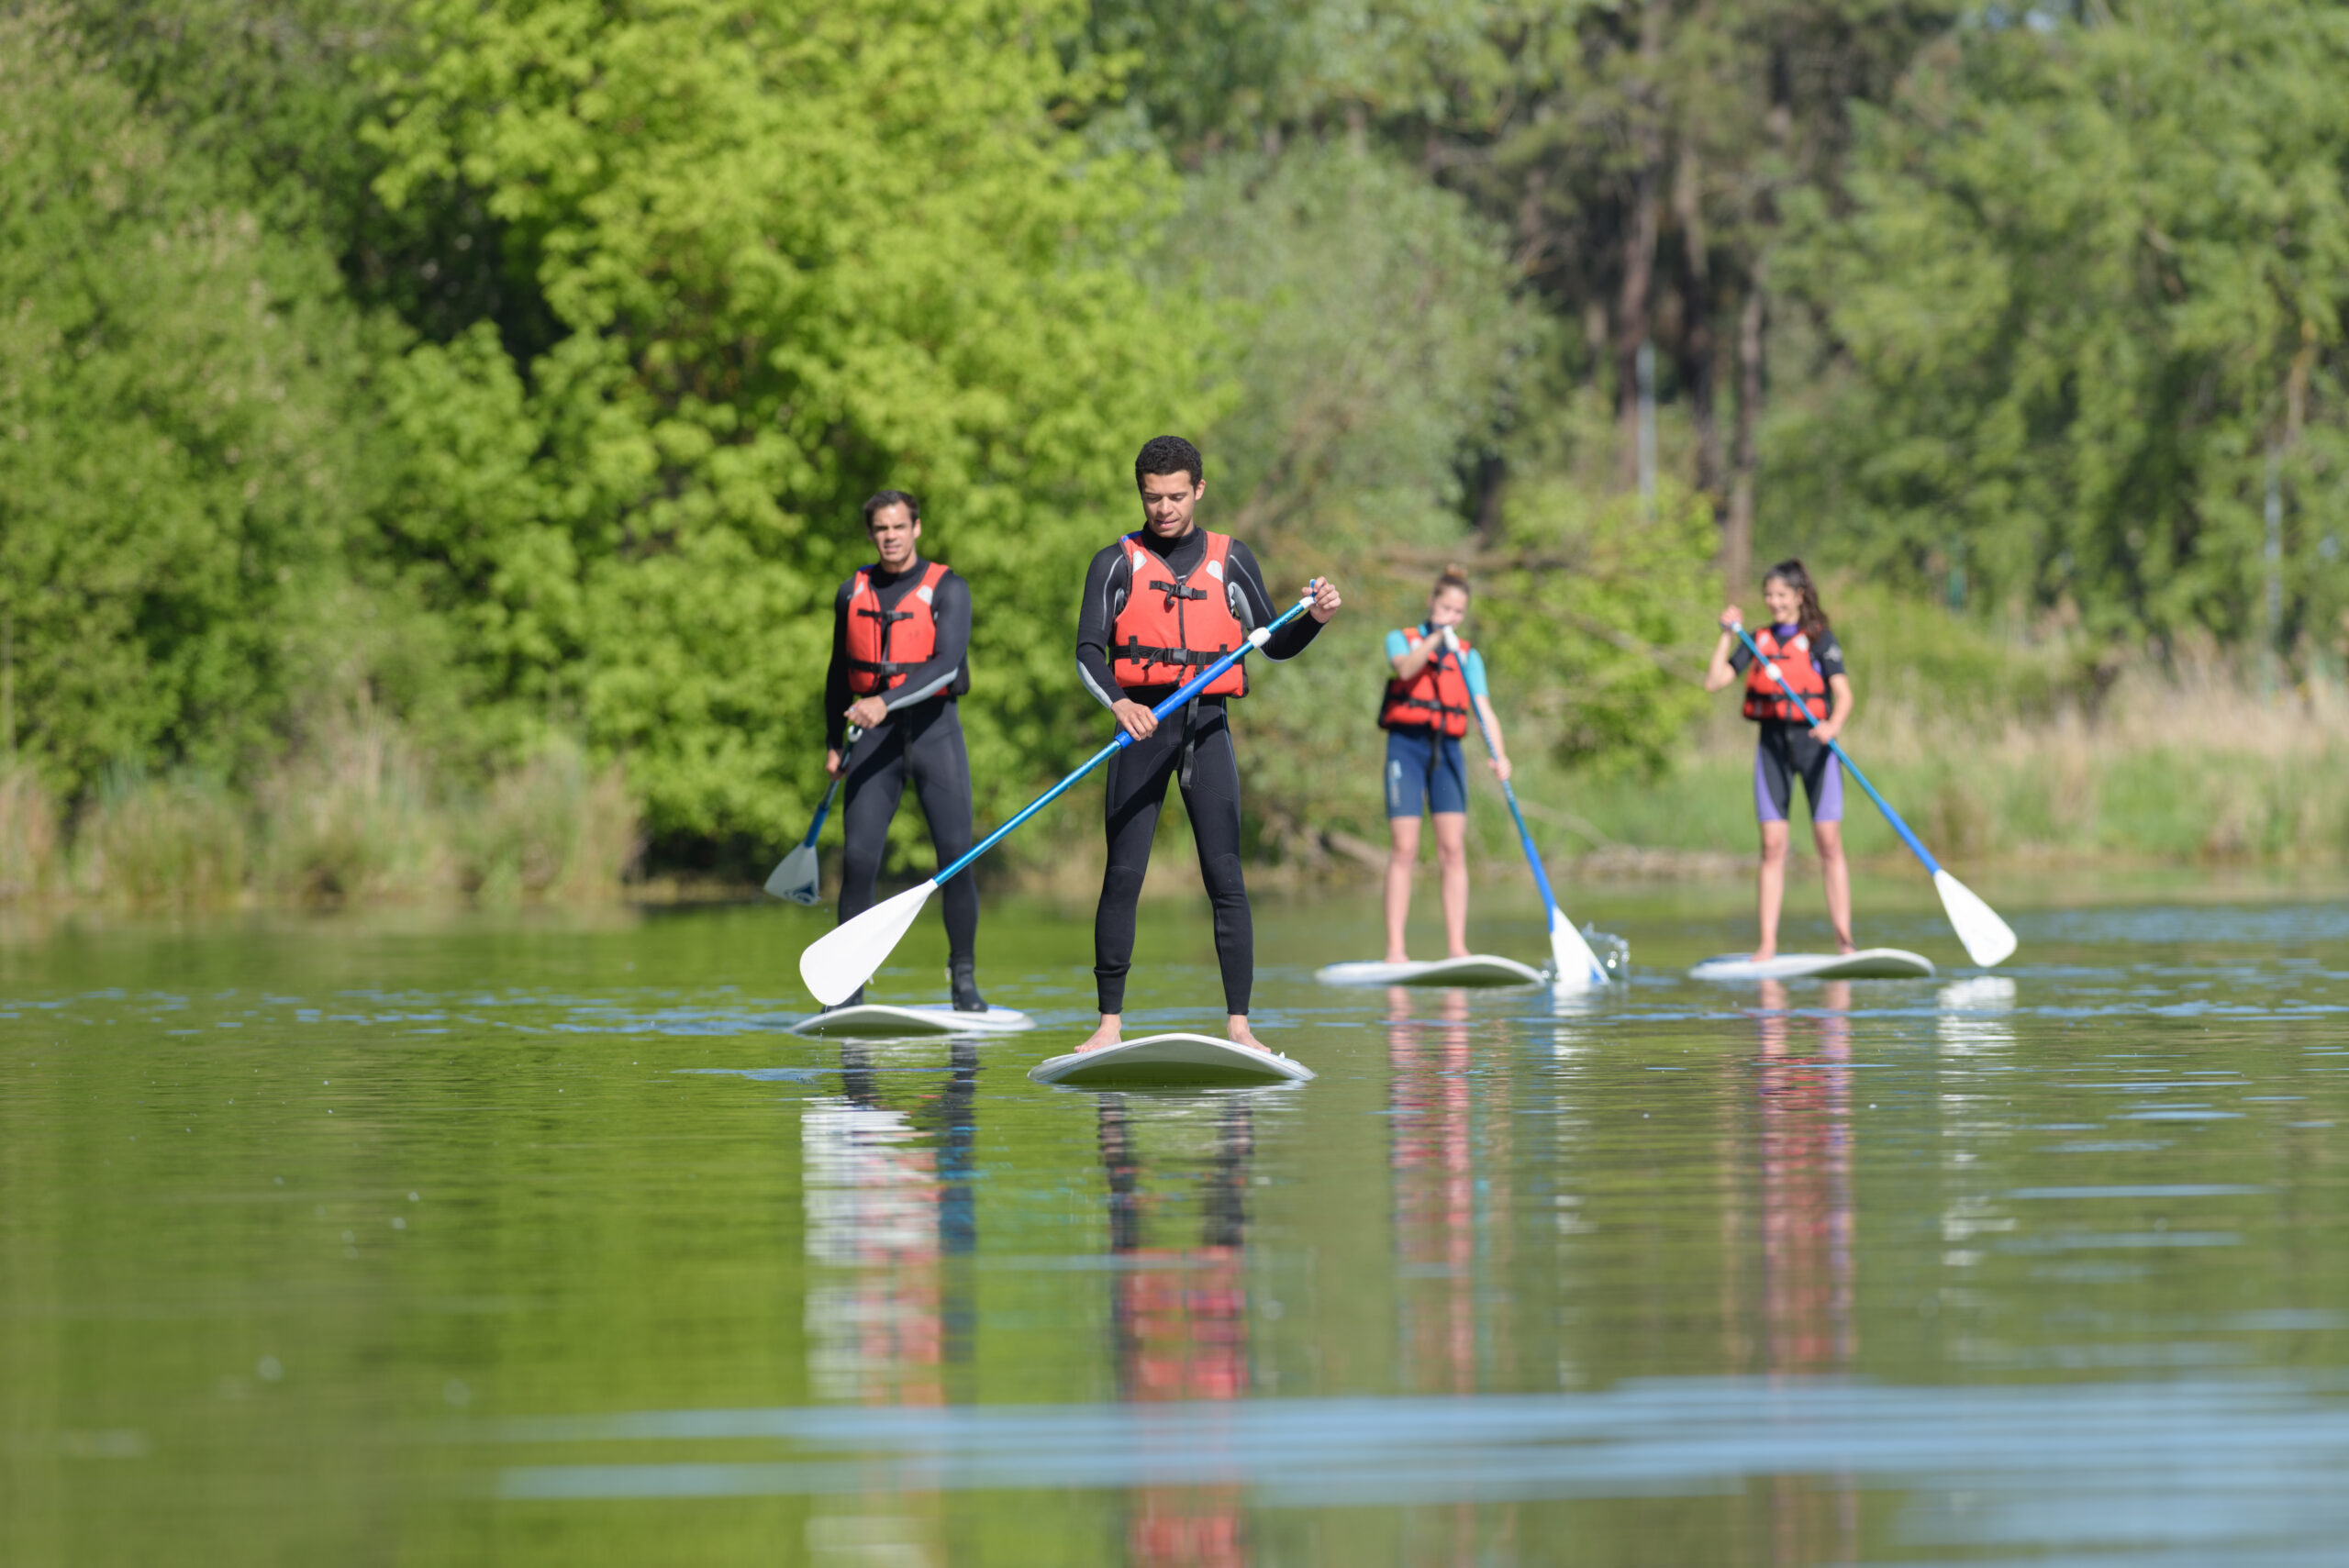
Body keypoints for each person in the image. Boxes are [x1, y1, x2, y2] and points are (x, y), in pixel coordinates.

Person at [1073, 436, 1342, 1053]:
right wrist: (1120, 702)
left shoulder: (1232, 558)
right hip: (1141, 726)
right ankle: (1108, 1024)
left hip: (1208, 726)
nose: (1163, 508)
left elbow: (1271, 641)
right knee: (1123, 873)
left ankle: (1240, 1027)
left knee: (1226, 876)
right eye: (1151, 497)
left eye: (1174, 495)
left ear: (1198, 489)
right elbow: (1088, 649)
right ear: (1140, 493)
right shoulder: (1114, 562)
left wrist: (1317, 620)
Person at [822, 489, 985, 1010]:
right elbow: (835, 675)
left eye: (899, 527)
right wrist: (833, 743)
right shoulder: (853, 591)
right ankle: (848, 990)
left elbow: (947, 664)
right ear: (871, 535)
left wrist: (884, 701)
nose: (890, 537)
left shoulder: (949, 588)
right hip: (871, 740)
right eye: (880, 529)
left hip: (935, 732)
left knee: (956, 859)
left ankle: (963, 983)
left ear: (916, 528)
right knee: (858, 859)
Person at [1703, 559, 1856, 960]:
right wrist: (1725, 636)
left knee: (1829, 843)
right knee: (1772, 846)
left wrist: (1832, 725)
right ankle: (1767, 943)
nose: (1773, 602)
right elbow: (1714, 681)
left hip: (1816, 749)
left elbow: (1844, 696)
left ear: (1799, 596)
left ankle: (1845, 940)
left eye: (1781, 595)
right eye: (1768, 595)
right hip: (1772, 747)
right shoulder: (1756, 640)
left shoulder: (1821, 639)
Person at [1379, 566, 1513, 963]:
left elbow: (1484, 711)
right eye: (1445, 608)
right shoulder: (1401, 639)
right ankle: (1396, 950)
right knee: (1404, 848)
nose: (1452, 616)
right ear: (1432, 604)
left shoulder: (1469, 656)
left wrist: (1501, 755)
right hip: (1406, 748)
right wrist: (1437, 636)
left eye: (1458, 612)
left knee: (1452, 849)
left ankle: (1457, 947)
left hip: (1449, 750)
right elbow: (1404, 669)